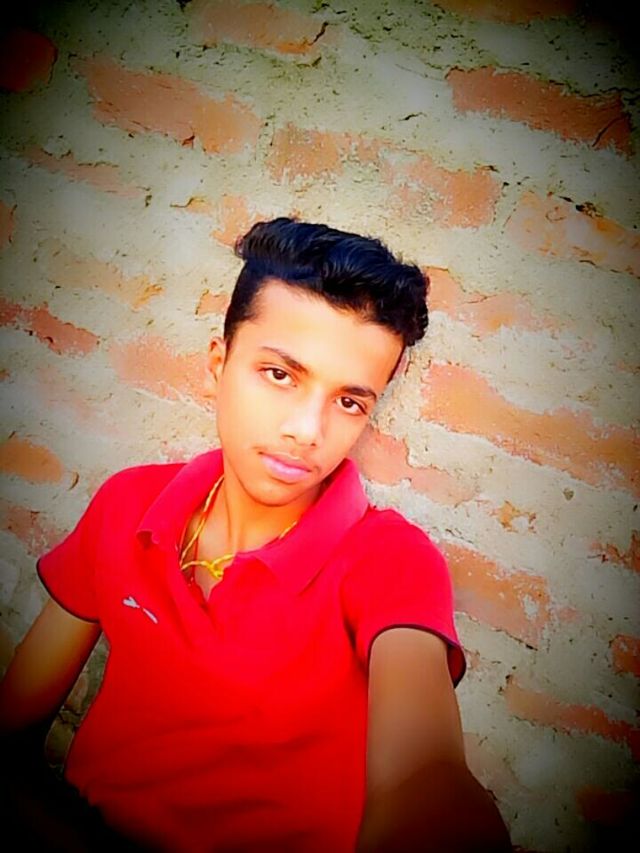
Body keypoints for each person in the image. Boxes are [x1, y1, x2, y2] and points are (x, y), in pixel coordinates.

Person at [0, 218, 511, 851]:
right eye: (279, 374)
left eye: (349, 401)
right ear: (218, 364)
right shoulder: (128, 504)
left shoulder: (391, 561)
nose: (306, 430)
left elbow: (424, 773)